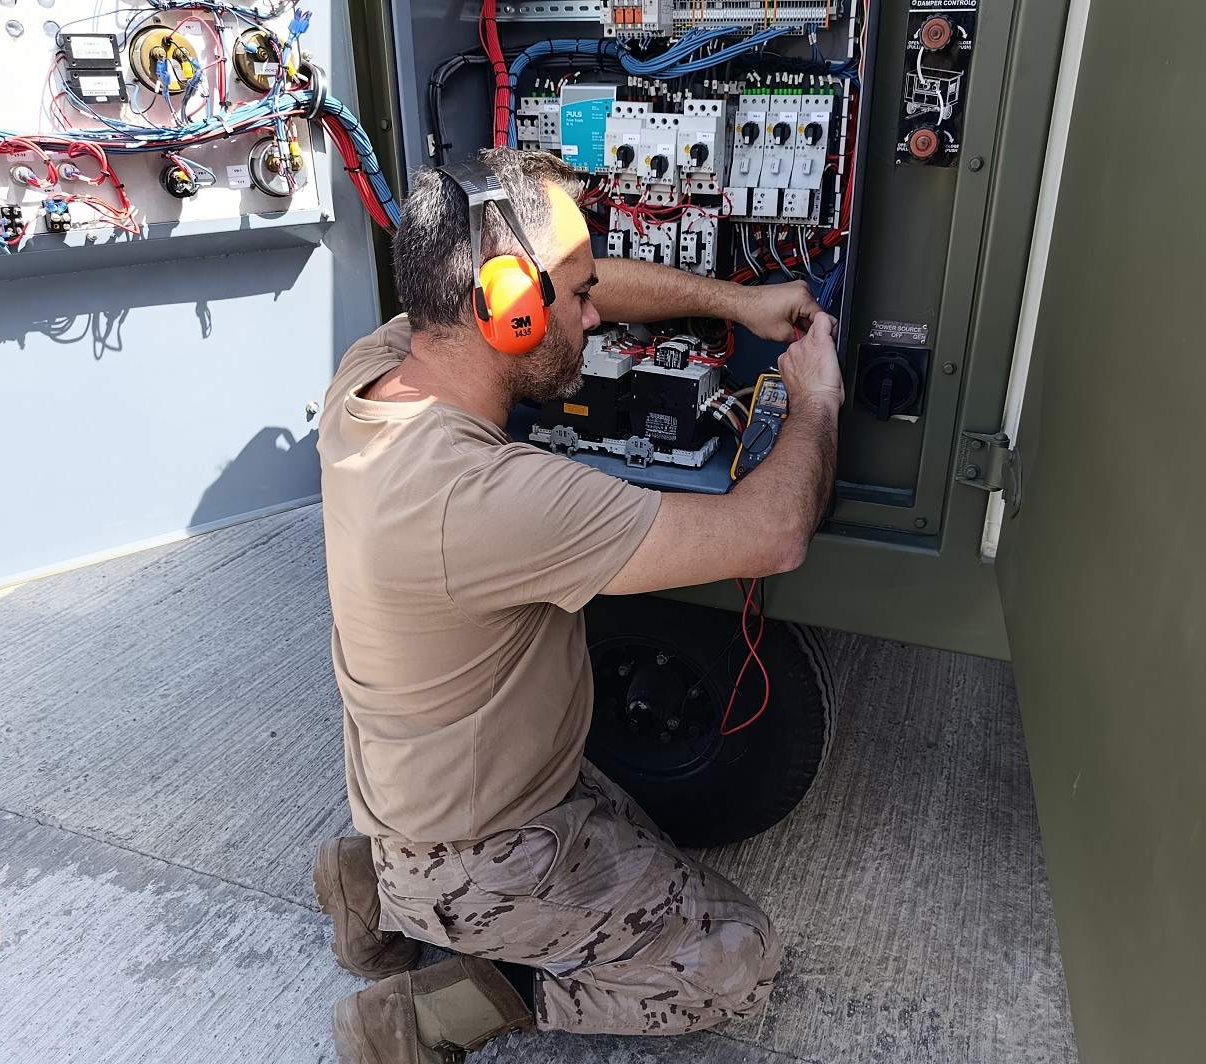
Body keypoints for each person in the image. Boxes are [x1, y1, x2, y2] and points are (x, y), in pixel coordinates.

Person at [314, 147, 843, 1064]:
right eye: (578, 298)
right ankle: (423, 1018)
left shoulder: (382, 366)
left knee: (645, 833)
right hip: (481, 843)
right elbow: (771, 536)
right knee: (734, 960)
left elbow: (581, 283)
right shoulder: (483, 497)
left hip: (429, 793)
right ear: (509, 308)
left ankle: (368, 889)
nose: (595, 317)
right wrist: (815, 405)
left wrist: (736, 302)